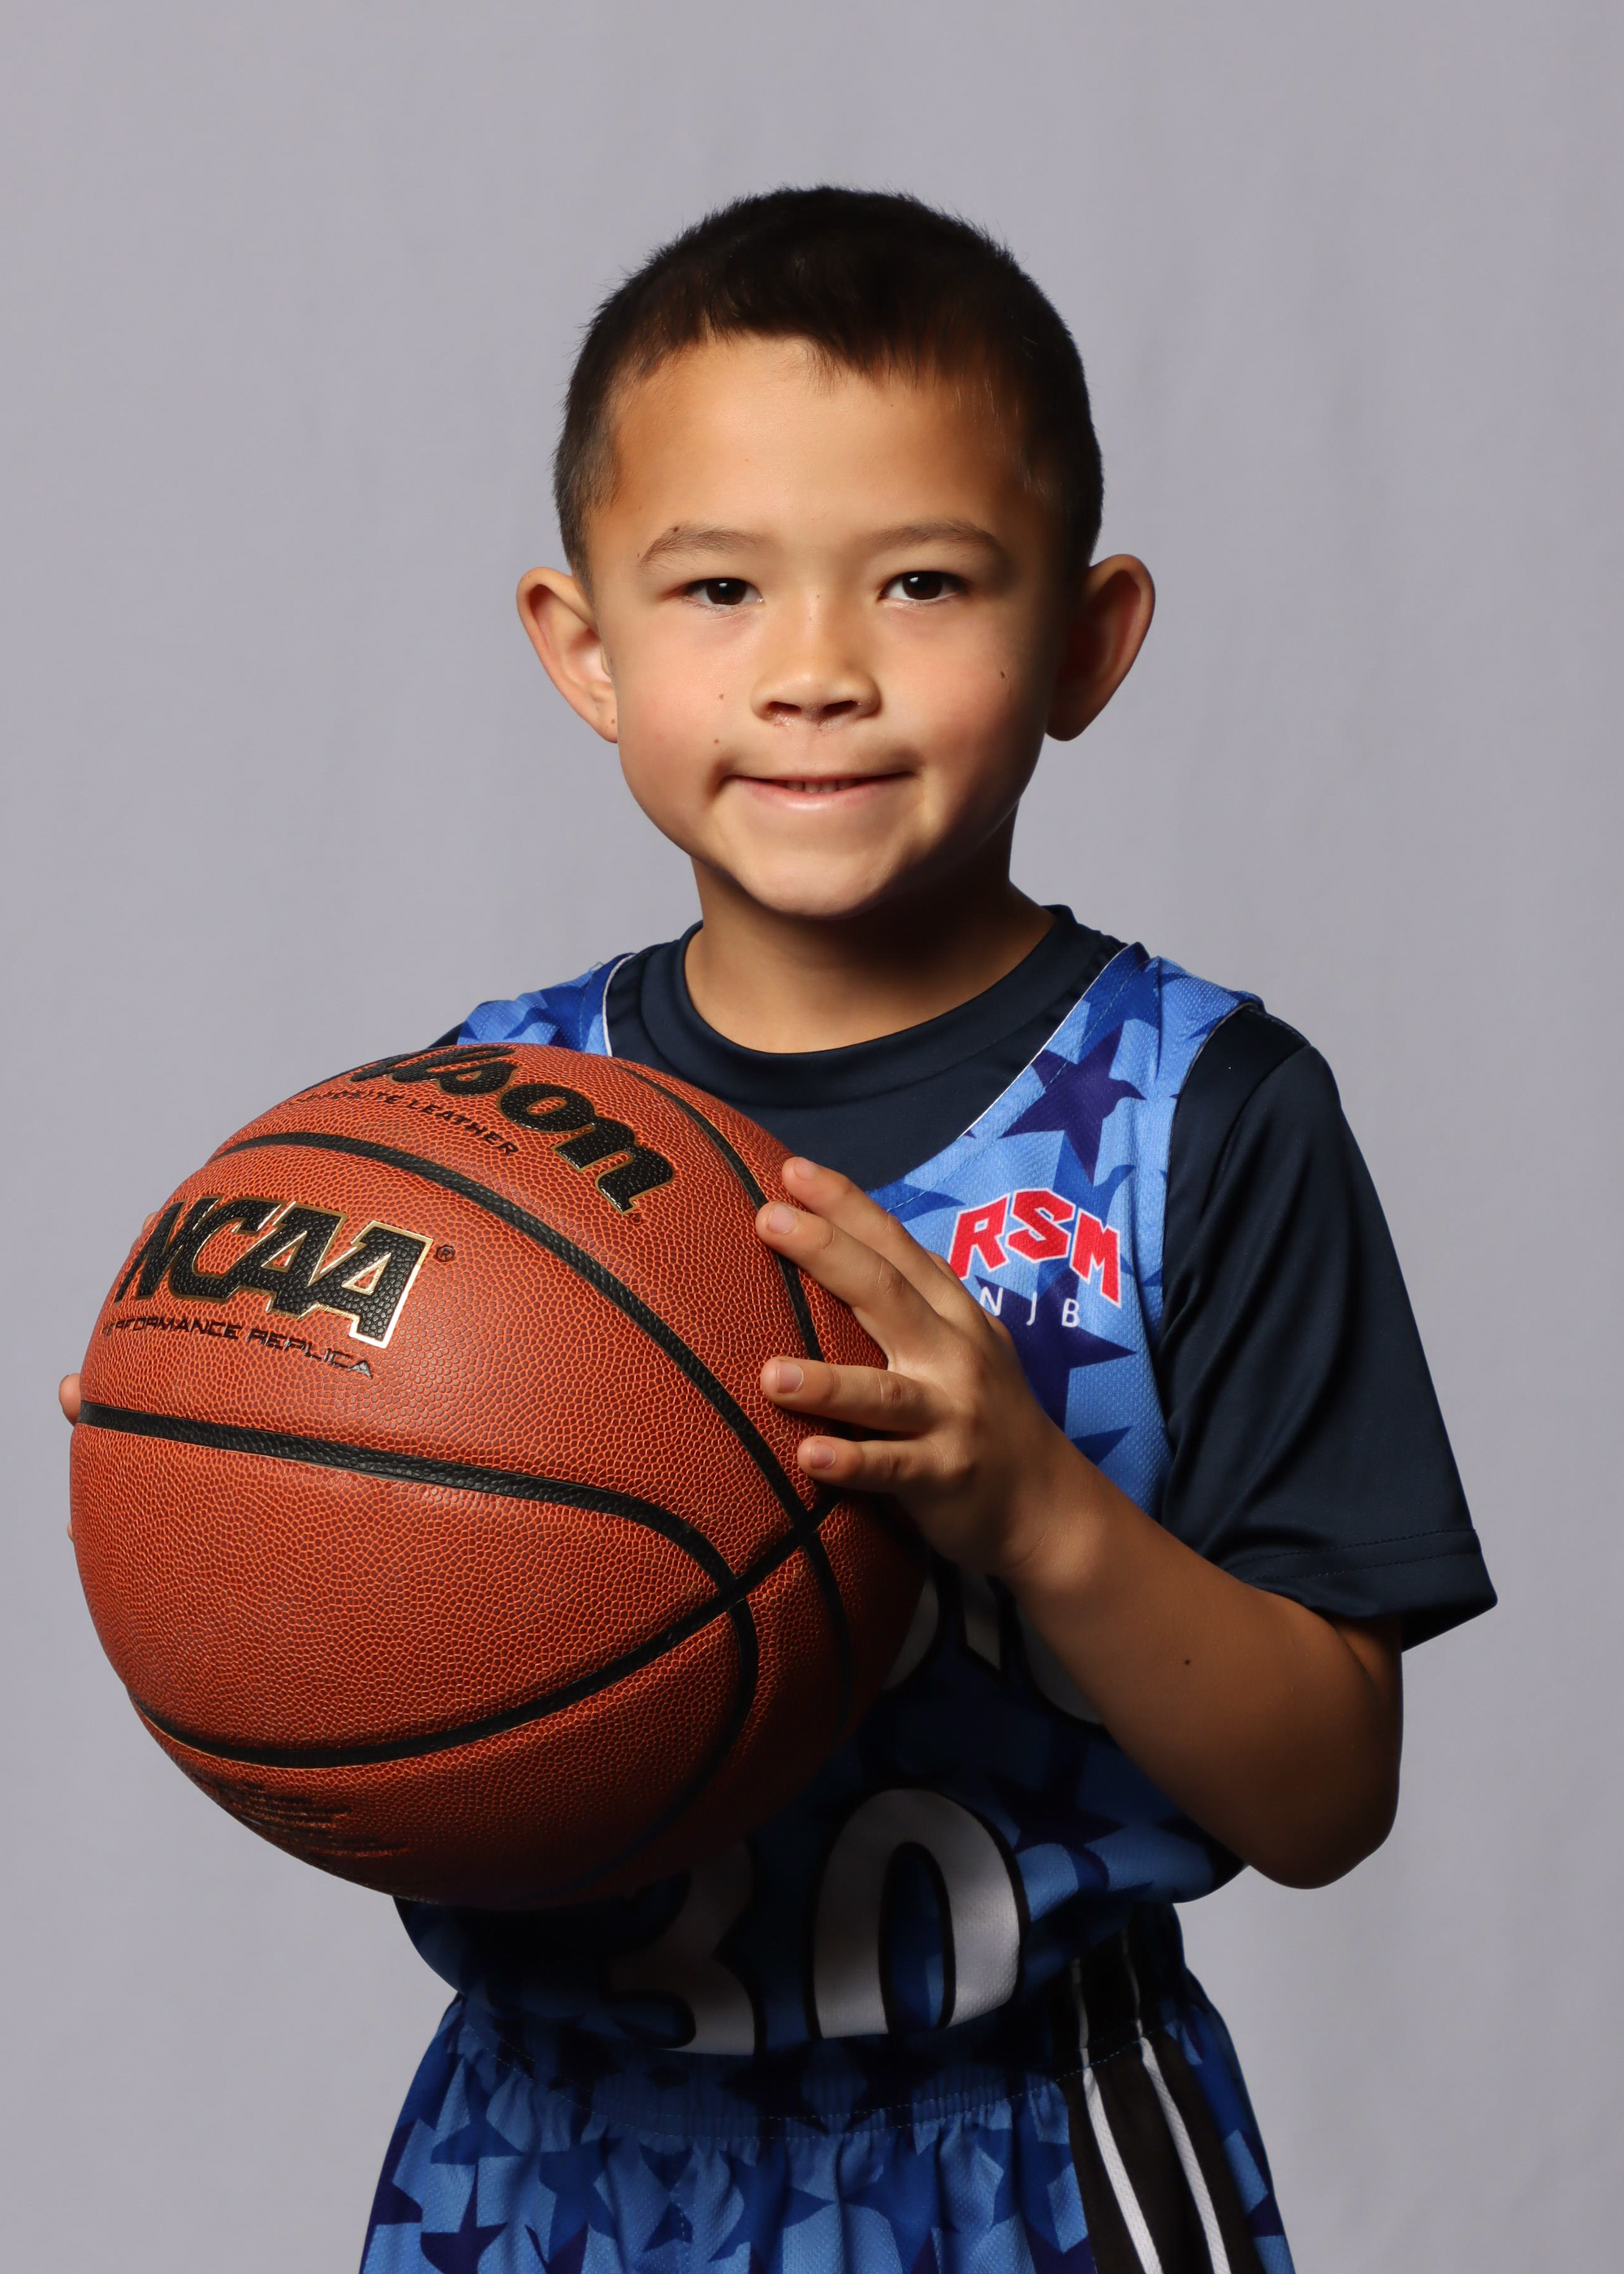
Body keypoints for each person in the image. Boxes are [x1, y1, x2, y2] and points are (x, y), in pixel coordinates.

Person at [67, 185, 1496, 2273]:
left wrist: (1040, 1509)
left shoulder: (1202, 1113)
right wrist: (203, 1474)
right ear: (585, 648)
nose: (817, 670)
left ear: (1085, 641)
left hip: (1022, 2139)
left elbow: (1327, 1798)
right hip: (539, 2147)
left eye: (922, 581)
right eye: (719, 586)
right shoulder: (475, 1116)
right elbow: (335, 1636)